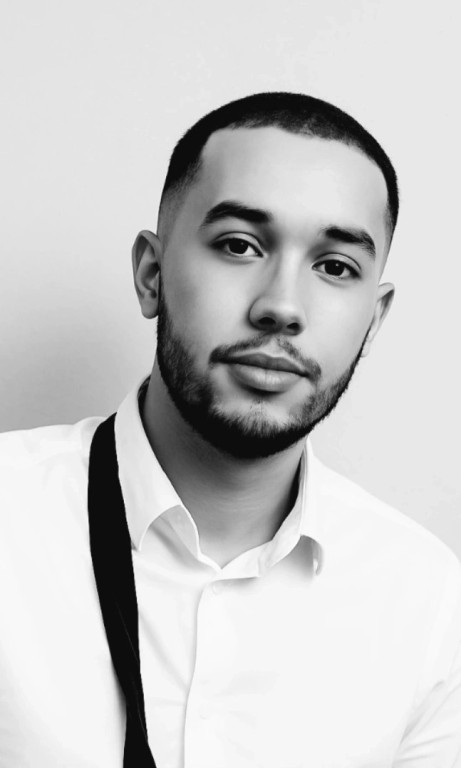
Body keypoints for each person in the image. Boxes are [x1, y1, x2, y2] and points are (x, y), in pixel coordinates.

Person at [0, 92, 460, 768]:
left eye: (335, 267)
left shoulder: (427, 602)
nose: (281, 307)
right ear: (151, 274)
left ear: (374, 318)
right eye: (239, 246)